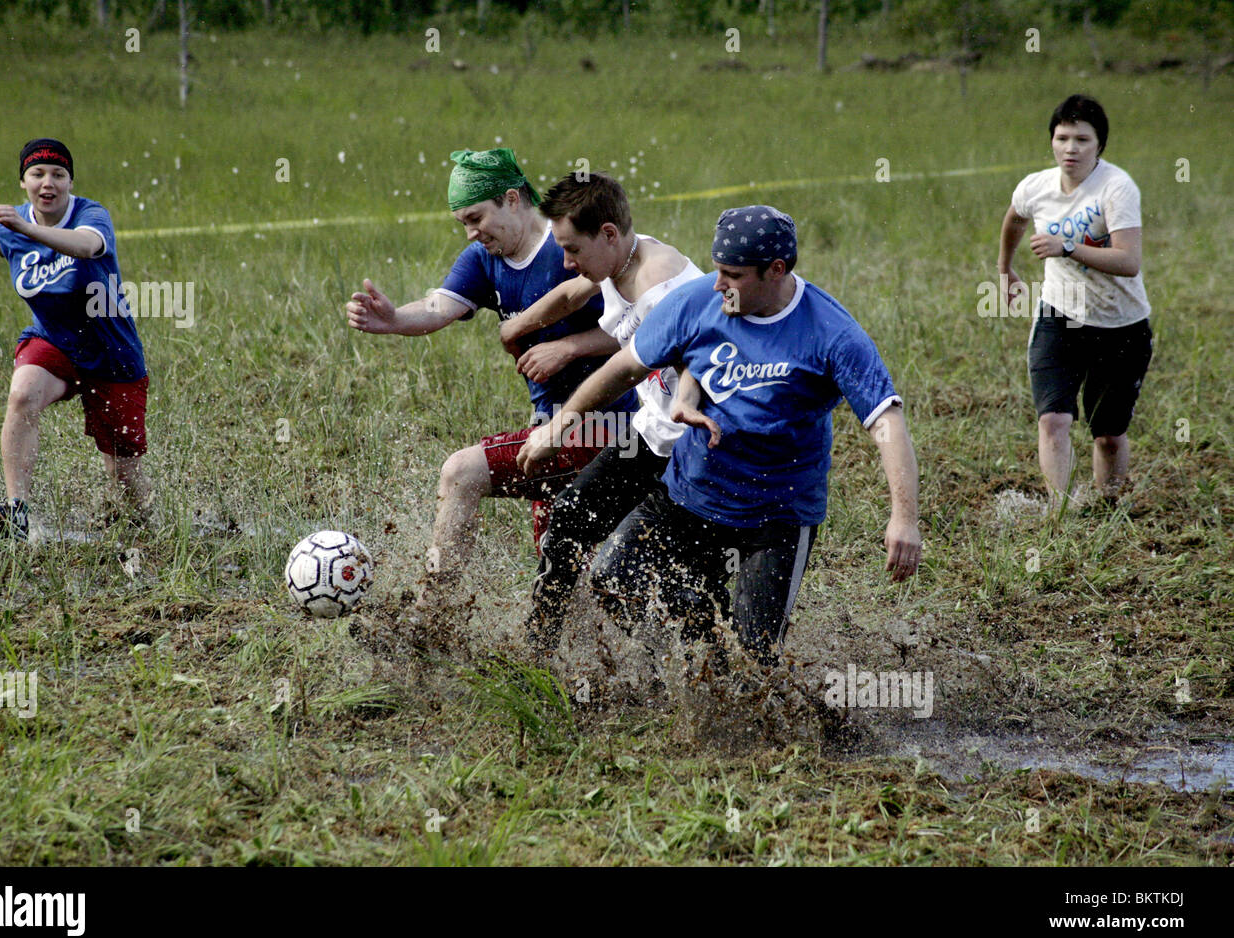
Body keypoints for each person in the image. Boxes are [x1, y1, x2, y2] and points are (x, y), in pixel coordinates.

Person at [520, 205, 921, 671]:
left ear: (776, 271)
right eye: (716, 270)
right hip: (687, 500)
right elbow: (623, 369)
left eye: (732, 275)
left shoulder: (831, 332)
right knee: (613, 579)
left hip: (776, 519)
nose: (717, 284)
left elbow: (886, 421)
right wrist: (561, 423)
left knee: (755, 664)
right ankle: (700, 651)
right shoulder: (696, 303)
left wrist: (904, 518)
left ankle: (740, 676)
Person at [344, 148, 638, 601]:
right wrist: (393, 319)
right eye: (462, 222)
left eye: (476, 217)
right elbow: (439, 306)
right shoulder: (485, 259)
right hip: (552, 430)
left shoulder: (574, 247)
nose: (470, 232)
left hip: (611, 424)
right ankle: (578, 664)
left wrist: (569, 347)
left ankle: (433, 615)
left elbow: (645, 333)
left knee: (461, 473)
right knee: (562, 576)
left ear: (512, 199)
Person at [495, 171, 705, 653]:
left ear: (608, 233)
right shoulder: (617, 260)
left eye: (572, 250)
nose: (567, 263)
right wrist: (518, 326)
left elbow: (623, 371)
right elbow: (573, 295)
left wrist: (557, 429)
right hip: (653, 433)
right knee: (569, 517)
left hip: (693, 449)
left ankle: (688, 664)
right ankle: (538, 653)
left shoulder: (661, 287)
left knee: (644, 575)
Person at [0, 138, 151, 542]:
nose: (48, 182)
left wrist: (26, 228)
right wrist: (11, 235)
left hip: (113, 353)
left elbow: (87, 245)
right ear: (23, 182)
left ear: (70, 181)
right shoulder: (13, 230)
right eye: (37, 174)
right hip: (54, 342)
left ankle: (141, 530)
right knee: (22, 394)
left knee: (123, 476)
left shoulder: (91, 215)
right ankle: (16, 509)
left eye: (58, 174)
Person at [998, 94, 1152, 512]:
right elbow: (1015, 217)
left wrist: (1068, 247)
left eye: (1082, 139)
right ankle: (1059, 516)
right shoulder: (1036, 186)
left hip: (1121, 325)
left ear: (1099, 145)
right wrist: (1005, 268)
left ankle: (1109, 509)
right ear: (1051, 141)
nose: (1071, 148)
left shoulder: (1117, 188)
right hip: (1058, 315)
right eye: (1062, 137)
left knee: (1108, 435)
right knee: (1053, 420)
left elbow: (1129, 261)